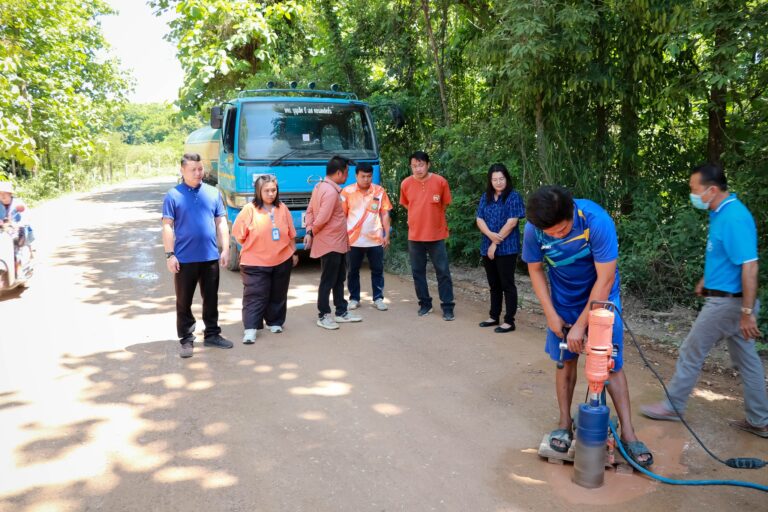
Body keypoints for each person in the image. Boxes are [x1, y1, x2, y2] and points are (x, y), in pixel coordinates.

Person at [522, 185, 653, 467]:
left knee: (610, 364)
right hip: (563, 300)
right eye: (552, 233)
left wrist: (582, 325)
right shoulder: (534, 229)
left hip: (603, 299)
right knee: (564, 360)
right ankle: (564, 423)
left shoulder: (596, 221)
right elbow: (535, 269)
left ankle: (629, 435)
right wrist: (551, 314)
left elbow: (604, 280)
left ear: (571, 212)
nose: (557, 235)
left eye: (563, 229)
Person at [641, 163, 767, 438]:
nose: (692, 193)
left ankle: (673, 406)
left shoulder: (734, 217)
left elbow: (749, 265)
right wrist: (706, 281)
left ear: (711, 190)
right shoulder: (720, 212)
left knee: (690, 351)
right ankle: (760, 420)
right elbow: (726, 258)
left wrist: (746, 312)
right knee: (747, 361)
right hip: (727, 299)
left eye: (694, 189)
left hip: (729, 305)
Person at [162, 153, 233, 358]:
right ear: (182, 171)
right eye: (193, 169)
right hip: (184, 259)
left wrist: (225, 249)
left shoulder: (213, 193)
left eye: (200, 169)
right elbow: (167, 226)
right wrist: (170, 254)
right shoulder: (173, 195)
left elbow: (221, 223)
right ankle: (186, 338)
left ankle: (212, 334)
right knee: (184, 300)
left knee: (211, 298)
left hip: (210, 257)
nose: (198, 173)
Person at [232, 174, 299, 344]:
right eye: (266, 190)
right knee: (255, 295)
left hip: (282, 258)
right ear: (258, 191)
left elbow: (291, 233)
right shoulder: (249, 209)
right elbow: (239, 234)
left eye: (273, 190)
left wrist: (293, 252)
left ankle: (275, 321)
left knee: (278, 292)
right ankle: (250, 328)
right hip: (255, 262)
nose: (271, 194)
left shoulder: (282, 208)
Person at [304, 156, 362, 329]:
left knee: (338, 278)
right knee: (328, 280)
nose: (347, 175)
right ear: (339, 173)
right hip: (331, 244)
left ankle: (341, 311)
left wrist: (309, 229)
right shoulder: (330, 192)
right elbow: (322, 217)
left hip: (336, 243)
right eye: (346, 172)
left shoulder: (319, 186)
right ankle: (323, 315)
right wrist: (312, 231)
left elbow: (309, 211)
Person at [399, 150, 455, 320]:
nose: (418, 169)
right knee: (417, 272)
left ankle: (447, 307)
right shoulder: (405, 184)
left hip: (436, 235)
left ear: (428, 165)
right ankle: (425, 304)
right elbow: (407, 205)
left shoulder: (440, 182)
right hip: (415, 236)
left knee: (443, 271)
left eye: (421, 165)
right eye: (414, 166)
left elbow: (444, 204)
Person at [475, 163, 525, 333]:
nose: (498, 182)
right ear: (490, 181)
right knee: (494, 284)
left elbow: (512, 222)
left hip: (507, 248)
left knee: (507, 284)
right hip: (486, 245)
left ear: (506, 179)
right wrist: (490, 235)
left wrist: (495, 243)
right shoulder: (486, 197)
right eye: (494, 179)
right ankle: (493, 316)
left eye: (501, 179)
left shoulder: (513, 196)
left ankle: (509, 321)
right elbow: (479, 219)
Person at [341, 162, 393, 311]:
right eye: (363, 176)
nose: (366, 179)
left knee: (377, 269)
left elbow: (384, 214)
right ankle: (354, 298)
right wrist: (342, 237)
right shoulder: (347, 192)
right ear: (356, 175)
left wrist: (386, 234)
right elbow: (342, 216)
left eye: (369, 176)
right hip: (353, 240)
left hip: (375, 239)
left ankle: (378, 298)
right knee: (352, 271)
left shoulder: (379, 191)